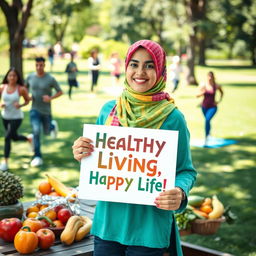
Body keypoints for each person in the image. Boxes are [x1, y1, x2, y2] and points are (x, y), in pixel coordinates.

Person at [72, 40, 197, 256]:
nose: (140, 72)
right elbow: (97, 159)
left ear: (160, 71)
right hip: (107, 225)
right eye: (134, 64)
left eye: (149, 65)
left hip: (148, 230)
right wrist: (82, 151)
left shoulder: (172, 118)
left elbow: (186, 170)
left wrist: (179, 191)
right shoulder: (109, 111)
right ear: (126, 67)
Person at [26, 57, 63, 167]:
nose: (39, 67)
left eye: (41, 65)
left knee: (47, 132)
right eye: (37, 65)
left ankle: (52, 126)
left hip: (46, 111)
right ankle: (37, 156)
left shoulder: (50, 78)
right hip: (34, 109)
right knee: (36, 131)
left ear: (44, 65)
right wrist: (27, 96)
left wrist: (50, 98)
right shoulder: (30, 77)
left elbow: (60, 91)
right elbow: (24, 89)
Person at [0, 68, 31, 171]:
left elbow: (27, 100)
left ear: (17, 77)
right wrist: (1, 104)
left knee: (7, 137)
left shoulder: (21, 89)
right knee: (14, 137)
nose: (12, 77)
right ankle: (28, 139)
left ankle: (5, 162)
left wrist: (20, 105)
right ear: (7, 77)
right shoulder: (2, 87)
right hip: (5, 117)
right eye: (10, 75)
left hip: (17, 117)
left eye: (14, 75)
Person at [196, 71, 224, 146]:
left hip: (213, 107)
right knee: (207, 121)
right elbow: (197, 95)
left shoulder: (216, 85)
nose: (210, 78)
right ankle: (208, 135)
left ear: (213, 77)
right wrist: (203, 92)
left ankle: (207, 136)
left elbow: (222, 93)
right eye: (208, 76)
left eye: (211, 76)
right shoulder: (203, 85)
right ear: (207, 77)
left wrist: (218, 101)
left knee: (207, 119)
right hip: (204, 107)